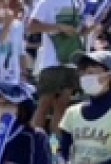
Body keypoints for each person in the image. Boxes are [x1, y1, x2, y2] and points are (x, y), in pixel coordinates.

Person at [29, 0, 85, 131]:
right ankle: (34, 140)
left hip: (71, 62)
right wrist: (60, 27)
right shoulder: (46, 3)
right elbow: (32, 27)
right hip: (51, 63)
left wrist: (91, 28)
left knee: (62, 106)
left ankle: (55, 143)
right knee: (44, 104)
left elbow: (79, 32)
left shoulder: (78, 3)